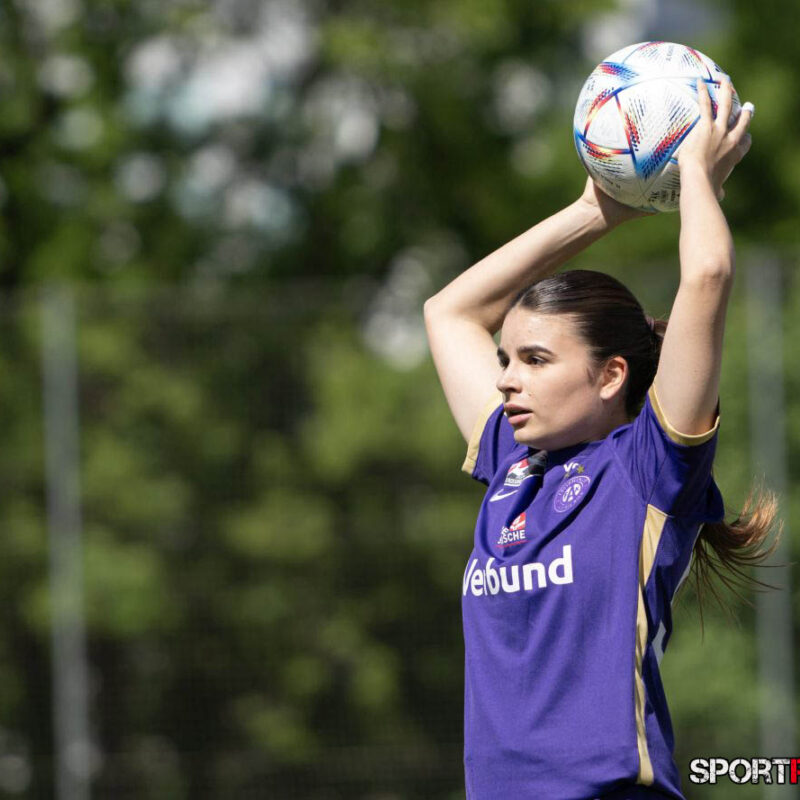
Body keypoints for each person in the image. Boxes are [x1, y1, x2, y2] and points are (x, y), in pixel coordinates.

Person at [424, 80, 775, 799]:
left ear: (612, 375)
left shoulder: (646, 469)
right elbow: (449, 312)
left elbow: (706, 274)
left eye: (536, 360)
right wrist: (593, 210)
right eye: (507, 358)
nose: (506, 380)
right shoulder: (511, 466)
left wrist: (697, 178)